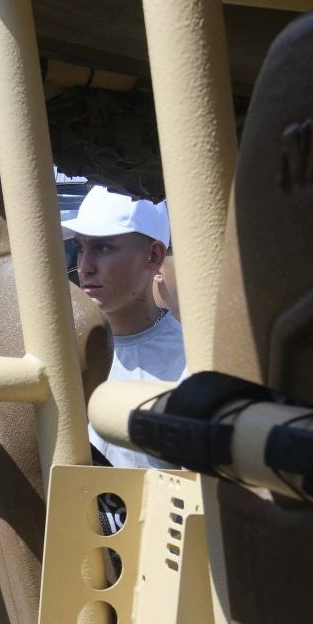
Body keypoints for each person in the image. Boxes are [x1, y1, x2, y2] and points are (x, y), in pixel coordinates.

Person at [63, 186, 184, 468]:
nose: (84, 266)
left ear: (153, 256)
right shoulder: (59, 348)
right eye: (80, 248)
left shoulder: (190, 362)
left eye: (102, 247)